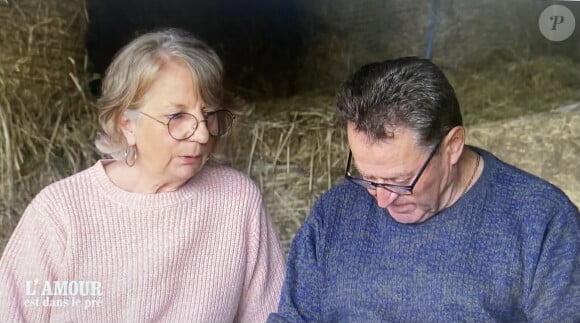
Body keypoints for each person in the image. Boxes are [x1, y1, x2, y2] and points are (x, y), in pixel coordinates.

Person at [0, 28, 285, 322]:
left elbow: (274, 315)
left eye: (209, 115)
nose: (201, 134)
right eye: (177, 117)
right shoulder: (61, 214)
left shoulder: (238, 202)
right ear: (127, 124)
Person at [268, 57, 580, 322]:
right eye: (367, 177)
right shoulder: (333, 214)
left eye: (399, 181)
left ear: (452, 146)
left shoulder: (542, 222)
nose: (381, 199)